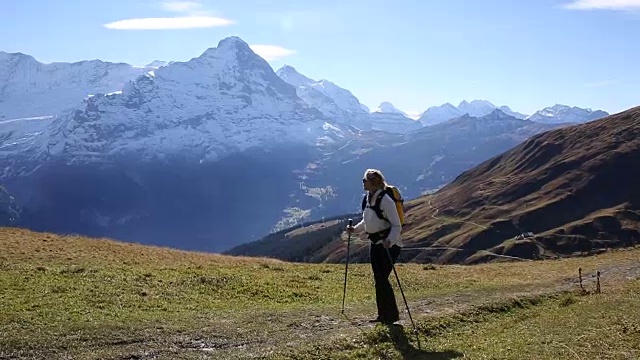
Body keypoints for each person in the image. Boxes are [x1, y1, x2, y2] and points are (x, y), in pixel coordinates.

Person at [346, 168, 402, 324]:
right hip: (375, 243)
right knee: (379, 279)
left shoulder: (386, 201)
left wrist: (390, 241)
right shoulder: (368, 199)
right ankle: (384, 315)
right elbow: (368, 221)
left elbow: (397, 225)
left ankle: (389, 315)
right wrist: (355, 229)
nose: (363, 183)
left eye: (364, 180)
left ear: (373, 182)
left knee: (381, 279)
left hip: (388, 245)